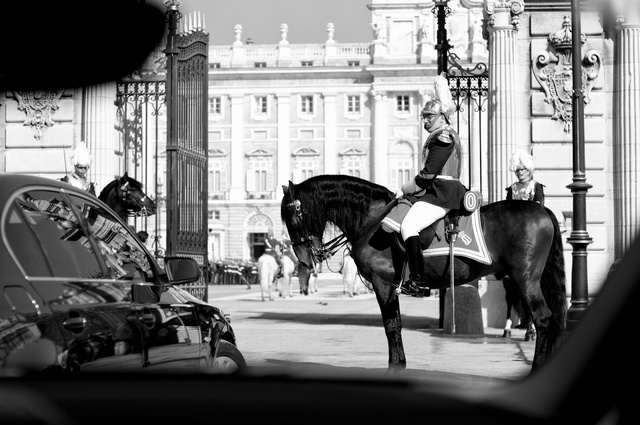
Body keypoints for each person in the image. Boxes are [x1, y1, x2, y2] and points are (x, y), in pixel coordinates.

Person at [399, 75, 467, 297]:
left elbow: (428, 174)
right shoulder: (441, 135)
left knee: (408, 226)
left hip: (443, 193)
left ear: (442, 117)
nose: (425, 121)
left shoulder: (443, 137)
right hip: (438, 192)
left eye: (429, 116)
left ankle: (418, 280)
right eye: (423, 117)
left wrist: (407, 187)